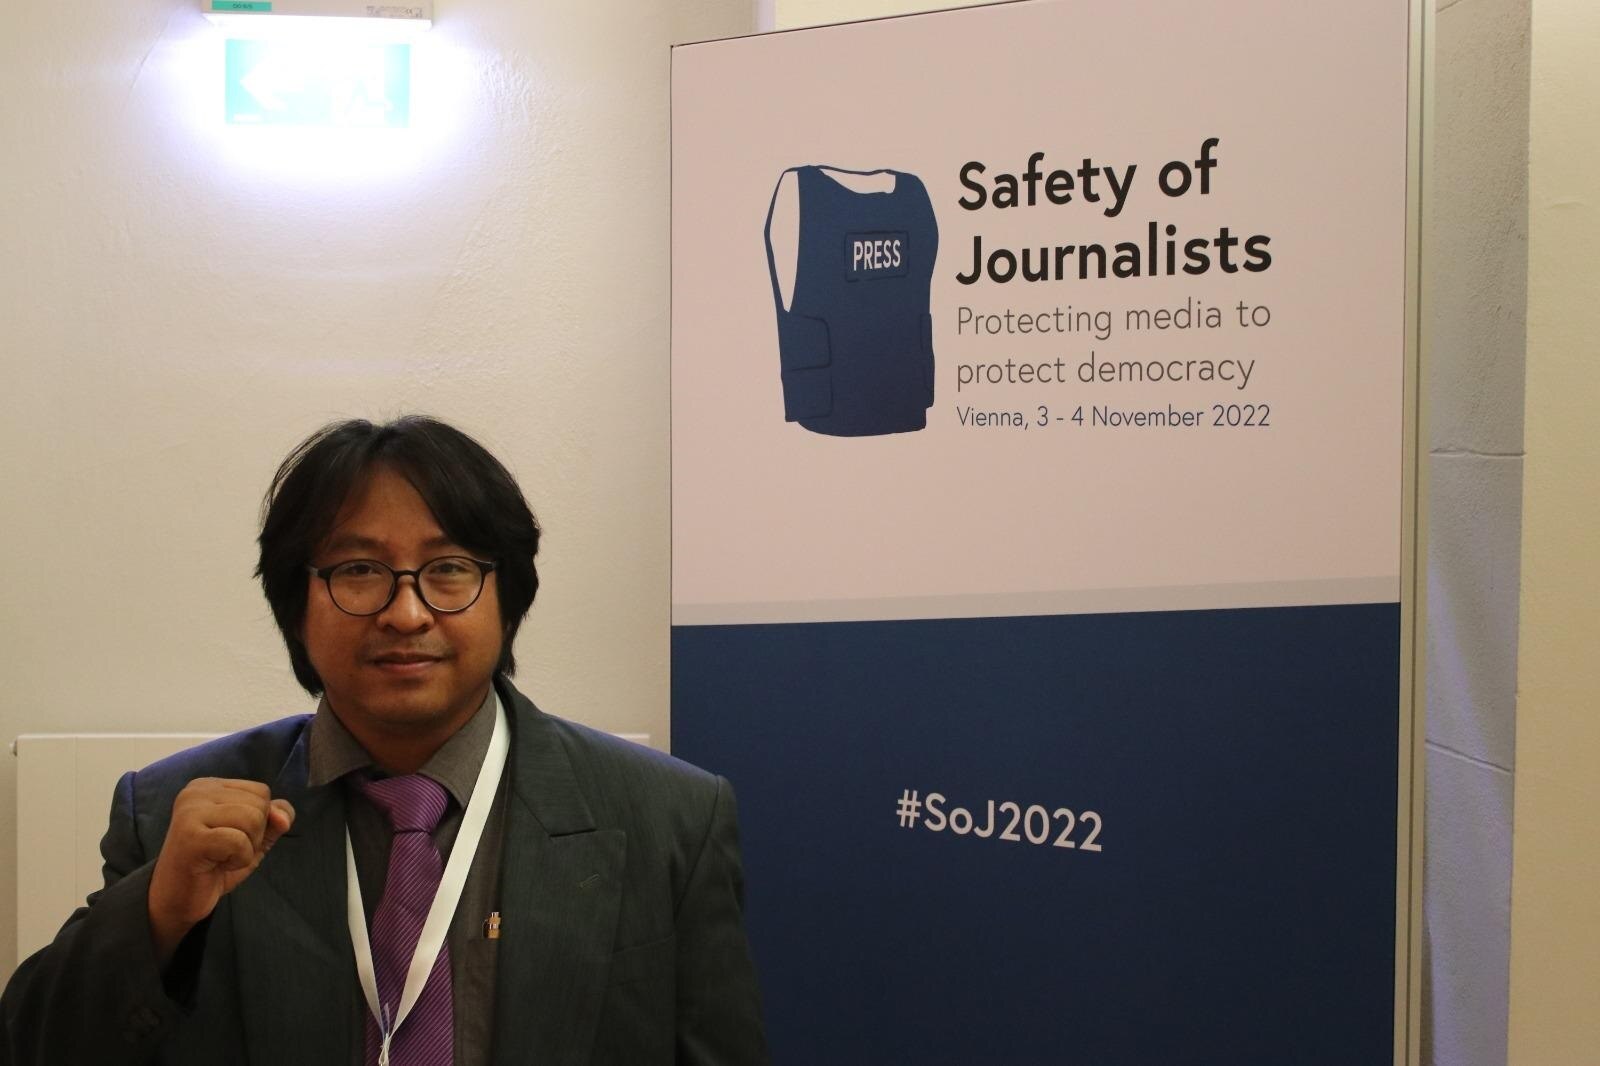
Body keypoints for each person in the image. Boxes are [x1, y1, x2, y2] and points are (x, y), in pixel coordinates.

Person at [0, 415, 768, 1066]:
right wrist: (160, 914)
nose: (406, 613)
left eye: (448, 569)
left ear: (510, 597)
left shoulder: (669, 820)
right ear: (296, 604)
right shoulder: (170, 815)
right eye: (360, 570)